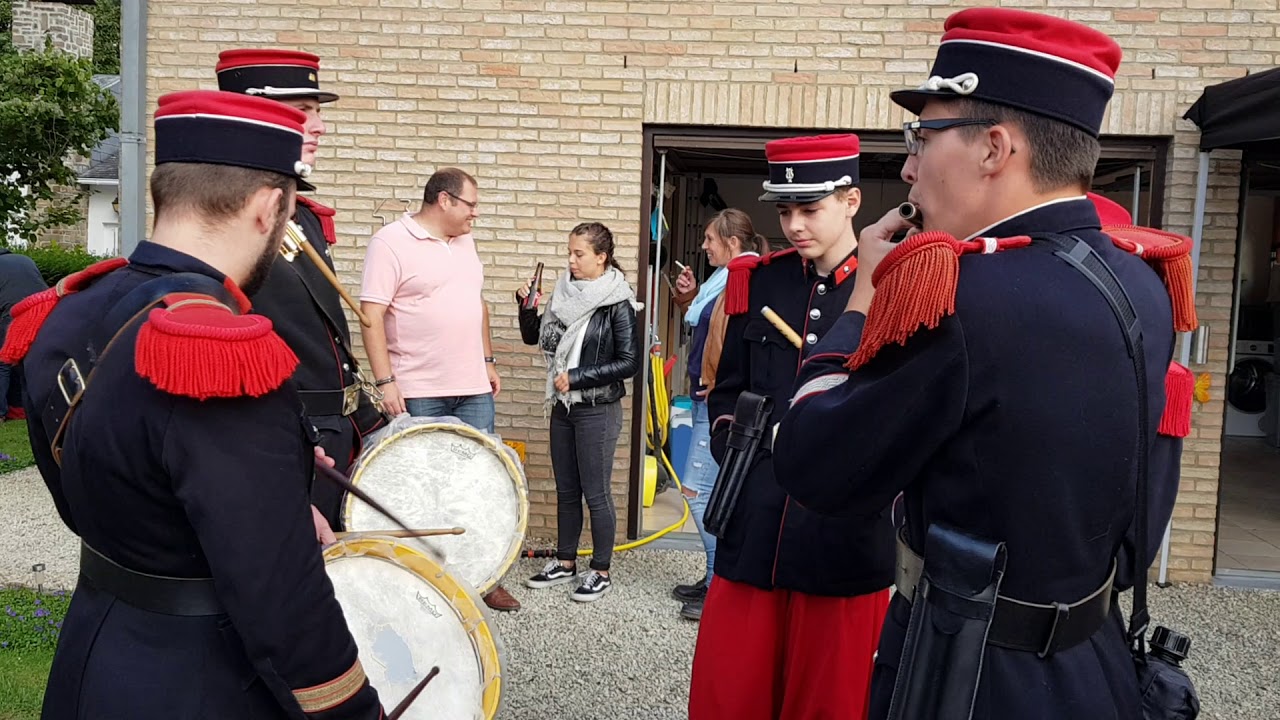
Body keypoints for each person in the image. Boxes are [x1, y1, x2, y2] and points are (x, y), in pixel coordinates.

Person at [771, 9, 1194, 719]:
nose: (908, 165)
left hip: (965, 676)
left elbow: (815, 465)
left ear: (995, 148)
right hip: (1093, 665)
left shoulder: (963, 300)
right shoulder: (1144, 281)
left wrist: (863, 303)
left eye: (922, 137)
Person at [2, 90, 383, 718]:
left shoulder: (72, 305)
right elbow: (282, 603)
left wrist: (275, 498)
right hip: (199, 681)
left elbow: (88, 480)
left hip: (94, 650)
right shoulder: (217, 355)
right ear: (269, 208)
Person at [688, 134, 894, 720]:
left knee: (830, 699)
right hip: (755, 522)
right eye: (785, 210)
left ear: (851, 201)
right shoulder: (763, 280)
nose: (795, 225)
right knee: (733, 695)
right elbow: (727, 389)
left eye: (810, 209)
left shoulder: (895, 287)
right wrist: (738, 456)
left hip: (842, 529)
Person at [215, 49, 390, 531]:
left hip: (336, 432)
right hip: (287, 441)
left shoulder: (302, 217)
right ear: (250, 117)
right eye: (301, 112)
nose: (319, 126)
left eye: (317, 113)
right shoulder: (227, 226)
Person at [357, 166, 519, 612]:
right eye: (471, 205)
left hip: (472, 389)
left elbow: (477, 303)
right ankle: (425, 582)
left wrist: (486, 360)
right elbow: (371, 314)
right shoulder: (390, 242)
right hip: (419, 390)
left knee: (479, 483)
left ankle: (484, 576)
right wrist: (386, 381)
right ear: (444, 200)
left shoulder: (464, 242)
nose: (476, 215)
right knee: (424, 487)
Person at [516, 222, 640, 603]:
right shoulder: (561, 294)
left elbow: (629, 361)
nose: (570, 260)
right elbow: (535, 338)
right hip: (563, 407)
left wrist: (578, 376)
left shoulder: (617, 301)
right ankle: (566, 562)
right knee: (567, 490)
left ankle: (600, 570)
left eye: (579, 254)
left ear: (601, 258)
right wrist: (527, 309)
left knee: (596, 492)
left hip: (596, 409)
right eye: (569, 252)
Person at [668, 208, 764, 621]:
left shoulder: (742, 280)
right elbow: (707, 325)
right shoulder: (721, 282)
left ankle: (718, 585)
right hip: (708, 397)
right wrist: (689, 296)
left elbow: (734, 342)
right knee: (704, 489)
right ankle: (712, 578)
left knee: (698, 490)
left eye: (710, 239)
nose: (704, 246)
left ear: (732, 243)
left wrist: (717, 381)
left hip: (714, 400)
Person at [0, 248, 47, 419]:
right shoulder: (24, 259)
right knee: (28, 359)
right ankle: (22, 407)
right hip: (44, 310)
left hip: (13, 312)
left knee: (3, 361)